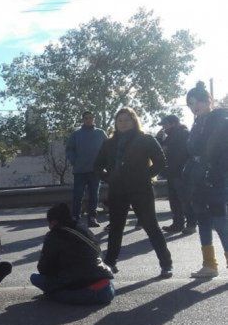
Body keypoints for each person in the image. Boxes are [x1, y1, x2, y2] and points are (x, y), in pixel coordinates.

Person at [94, 107, 173, 277]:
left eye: (127, 120)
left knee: (151, 226)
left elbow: (161, 162)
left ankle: (166, 264)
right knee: (116, 228)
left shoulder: (146, 139)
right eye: (120, 120)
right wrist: (109, 178)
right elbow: (97, 166)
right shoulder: (109, 143)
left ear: (134, 121)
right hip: (117, 190)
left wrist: (145, 176)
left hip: (141, 189)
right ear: (116, 123)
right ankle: (110, 263)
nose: (123, 123)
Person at [182, 81, 228, 278]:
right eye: (190, 104)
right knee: (203, 220)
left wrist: (216, 174)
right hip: (198, 179)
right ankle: (209, 264)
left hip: (215, 180)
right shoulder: (197, 123)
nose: (193, 107)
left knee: (220, 222)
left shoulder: (221, 120)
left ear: (208, 100)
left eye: (196, 102)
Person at [30, 203, 115, 304]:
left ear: (53, 222)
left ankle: (55, 293)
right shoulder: (83, 229)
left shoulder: (54, 235)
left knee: (35, 278)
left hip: (88, 291)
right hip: (107, 289)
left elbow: (43, 268)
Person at [66, 111, 107, 227]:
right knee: (78, 195)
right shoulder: (76, 134)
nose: (88, 120)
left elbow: (108, 148)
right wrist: (74, 161)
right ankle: (75, 218)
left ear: (94, 119)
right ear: (83, 120)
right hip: (80, 171)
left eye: (90, 118)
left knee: (94, 196)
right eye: (86, 118)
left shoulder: (100, 133)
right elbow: (69, 149)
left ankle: (92, 218)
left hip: (95, 171)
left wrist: (104, 163)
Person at [159, 114, 196, 235]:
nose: (164, 128)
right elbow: (162, 149)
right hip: (172, 172)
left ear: (173, 123)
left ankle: (191, 224)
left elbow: (181, 154)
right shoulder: (171, 136)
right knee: (174, 200)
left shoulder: (183, 134)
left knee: (185, 200)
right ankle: (177, 224)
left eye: (165, 125)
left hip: (181, 173)